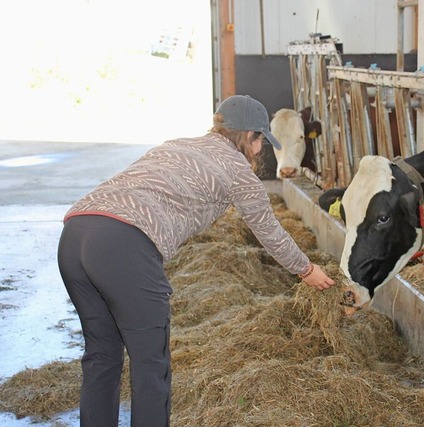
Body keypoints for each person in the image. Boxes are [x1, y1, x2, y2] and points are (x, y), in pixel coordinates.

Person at [57, 95, 336, 427]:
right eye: (261, 140)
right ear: (249, 136)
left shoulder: (177, 144)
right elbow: (269, 230)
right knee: (150, 364)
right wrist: (306, 269)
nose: (261, 150)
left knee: (102, 356)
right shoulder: (238, 170)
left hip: (75, 234)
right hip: (124, 244)